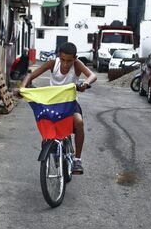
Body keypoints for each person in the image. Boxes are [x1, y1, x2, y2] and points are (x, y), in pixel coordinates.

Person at [20, 42, 97, 174]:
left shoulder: (77, 65)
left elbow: (92, 75)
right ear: (59, 57)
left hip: (70, 103)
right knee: (46, 127)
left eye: (69, 61)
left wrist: (85, 83)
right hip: (52, 103)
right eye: (63, 60)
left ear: (75, 58)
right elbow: (31, 75)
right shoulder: (52, 64)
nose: (66, 64)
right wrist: (22, 88)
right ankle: (52, 148)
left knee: (78, 123)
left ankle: (77, 160)